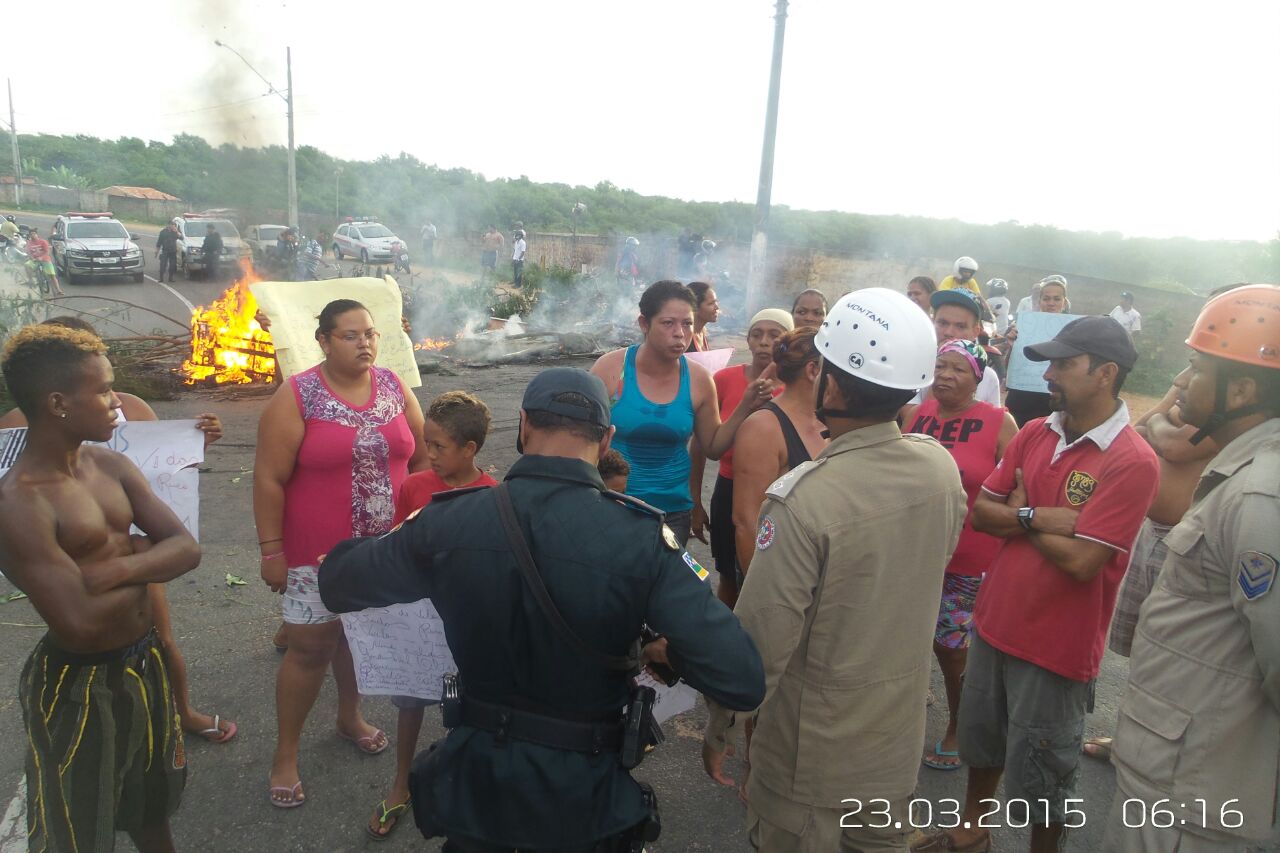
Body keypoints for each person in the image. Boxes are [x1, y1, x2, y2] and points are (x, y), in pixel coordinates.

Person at [318, 366, 766, 851]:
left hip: (478, 786)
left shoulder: (449, 520)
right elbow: (739, 678)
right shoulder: (642, 539)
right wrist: (661, 653)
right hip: (584, 795)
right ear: (607, 437)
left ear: (524, 425)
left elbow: (339, 583)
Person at [703, 287, 967, 851]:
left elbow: (761, 642)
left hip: (812, 764)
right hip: (892, 754)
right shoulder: (939, 469)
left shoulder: (803, 501)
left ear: (836, 383)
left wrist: (720, 722)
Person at [913, 316, 1158, 853]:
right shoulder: (1033, 432)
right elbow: (981, 513)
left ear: (1105, 374)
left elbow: (1082, 561)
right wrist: (1038, 515)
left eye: (1064, 365)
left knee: (1046, 776)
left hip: (1056, 648)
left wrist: (1017, 512)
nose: (1048, 375)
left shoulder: (1132, 460)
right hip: (995, 622)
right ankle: (971, 832)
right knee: (983, 743)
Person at [0, 324, 202, 853]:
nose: (117, 401)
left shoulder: (110, 464)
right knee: (77, 829)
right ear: (58, 403)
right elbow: (80, 623)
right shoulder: (21, 504)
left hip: (143, 661)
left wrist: (112, 570)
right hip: (77, 685)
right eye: (104, 390)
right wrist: (144, 555)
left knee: (151, 806)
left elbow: (188, 548)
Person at [1104, 284, 1280, 852]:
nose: (1184, 379)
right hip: (1177, 766)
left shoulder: (1260, 496)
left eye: (1199, 367)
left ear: (1244, 389)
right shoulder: (1245, 473)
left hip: (1192, 795)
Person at [253, 299, 429, 808]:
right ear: (324, 341)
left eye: (370, 333)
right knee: (311, 650)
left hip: (383, 553)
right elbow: (268, 479)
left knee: (359, 640)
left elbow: (420, 455)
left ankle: (349, 717)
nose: (365, 343)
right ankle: (285, 753)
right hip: (314, 556)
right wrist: (272, 551)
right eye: (350, 335)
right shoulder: (298, 396)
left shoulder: (394, 388)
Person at [367, 390, 496, 840]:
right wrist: (351, 564)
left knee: (474, 708)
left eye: (439, 447)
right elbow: (394, 547)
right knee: (411, 699)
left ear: (470, 449)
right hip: (418, 622)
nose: (429, 454)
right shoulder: (415, 487)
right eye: (426, 444)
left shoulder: (495, 497)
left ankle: (471, 785)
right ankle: (401, 781)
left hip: (468, 625)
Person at [1078, 373, 1221, 762]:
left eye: (1197, 366)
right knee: (1142, 646)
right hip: (1151, 533)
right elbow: (1137, 429)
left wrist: (1165, 423)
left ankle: (1162, 750)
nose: (1183, 378)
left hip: (1186, 539)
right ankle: (1130, 736)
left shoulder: (1233, 411)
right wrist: (1172, 405)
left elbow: (1174, 446)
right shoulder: (1191, 394)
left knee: (1174, 653)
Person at [900, 340, 1019, 773]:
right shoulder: (919, 414)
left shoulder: (998, 421)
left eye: (958, 369)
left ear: (978, 378)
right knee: (907, 640)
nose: (946, 375)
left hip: (970, 558)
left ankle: (958, 725)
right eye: (941, 366)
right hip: (913, 553)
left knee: (951, 648)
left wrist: (1009, 525)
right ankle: (902, 720)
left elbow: (1021, 483)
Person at [590, 281, 778, 546]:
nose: (680, 333)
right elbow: (582, 440)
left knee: (663, 585)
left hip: (672, 513)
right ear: (644, 323)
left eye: (687, 324)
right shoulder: (612, 369)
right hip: (613, 505)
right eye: (668, 323)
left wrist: (745, 405)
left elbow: (713, 446)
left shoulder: (699, 379)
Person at [689, 309, 793, 608]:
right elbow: (701, 444)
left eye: (774, 335)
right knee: (730, 579)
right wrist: (695, 501)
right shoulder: (724, 379)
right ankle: (728, 645)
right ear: (747, 339)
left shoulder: (799, 387)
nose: (764, 342)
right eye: (757, 334)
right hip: (729, 491)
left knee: (775, 580)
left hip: (780, 497)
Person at [730, 326, 827, 580]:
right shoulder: (763, 427)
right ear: (813, 370)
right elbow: (747, 521)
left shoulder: (829, 421)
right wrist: (761, 595)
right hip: (780, 576)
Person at [1004, 276, 1071, 427]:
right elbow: (1010, 368)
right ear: (1039, 301)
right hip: (1021, 398)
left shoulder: (1072, 331)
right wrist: (1012, 347)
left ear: (1064, 302)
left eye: (1056, 299)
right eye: (1046, 299)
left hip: (1053, 401)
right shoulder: (1022, 327)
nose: (1051, 303)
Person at [928, 289, 1005, 405]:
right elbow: (911, 418)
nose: (949, 332)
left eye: (960, 326)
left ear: (976, 332)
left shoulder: (988, 376)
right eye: (943, 323)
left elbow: (994, 421)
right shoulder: (916, 366)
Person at [24, 226, 64, 296]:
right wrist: (31, 258)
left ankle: (58, 290)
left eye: (34, 234)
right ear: (29, 235)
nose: (33, 235)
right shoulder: (29, 243)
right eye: (31, 234)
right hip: (35, 260)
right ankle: (31, 280)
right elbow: (28, 252)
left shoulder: (43, 241)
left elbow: (47, 252)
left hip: (45, 260)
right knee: (27, 265)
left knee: (52, 275)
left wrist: (42, 257)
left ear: (37, 234)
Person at [686, 280, 720, 352]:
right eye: (711, 303)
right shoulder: (684, 338)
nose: (717, 307)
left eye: (716, 302)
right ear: (695, 306)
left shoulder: (702, 333)